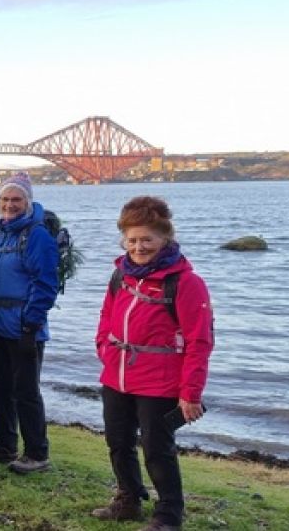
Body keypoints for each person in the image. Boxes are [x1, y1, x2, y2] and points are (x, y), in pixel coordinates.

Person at [92, 196, 214, 531]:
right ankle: (128, 500)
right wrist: (104, 347)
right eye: (132, 240)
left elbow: (199, 341)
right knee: (118, 441)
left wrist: (190, 393)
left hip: (159, 380)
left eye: (147, 239)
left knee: (157, 449)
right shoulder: (121, 275)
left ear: (165, 239)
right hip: (116, 376)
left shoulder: (186, 283)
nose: (139, 247)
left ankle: (168, 515)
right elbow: (106, 316)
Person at [0, 172, 59, 474]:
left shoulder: (36, 235)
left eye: (16, 199)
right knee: (0, 388)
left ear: (28, 201)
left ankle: (37, 453)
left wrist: (31, 325)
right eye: (5, 199)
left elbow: (46, 283)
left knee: (26, 392)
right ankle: (4, 444)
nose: (9, 205)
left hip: (24, 327)